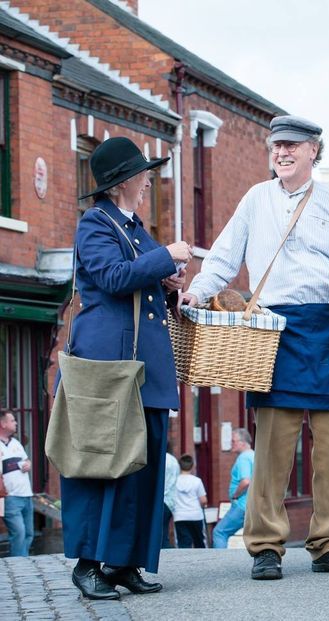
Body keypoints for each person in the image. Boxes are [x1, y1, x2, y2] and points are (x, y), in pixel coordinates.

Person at [184, 115, 329, 580]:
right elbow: (224, 256)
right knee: (272, 449)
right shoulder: (254, 200)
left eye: (291, 145)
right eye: (275, 146)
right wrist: (198, 290)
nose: (281, 153)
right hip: (273, 331)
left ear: (314, 151)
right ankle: (265, 545)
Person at [62, 136, 191, 598]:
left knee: (145, 466)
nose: (149, 178)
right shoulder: (95, 225)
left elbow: (145, 283)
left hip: (145, 368)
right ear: (123, 183)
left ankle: (124, 561)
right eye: (143, 173)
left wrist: (172, 284)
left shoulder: (135, 227)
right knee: (106, 465)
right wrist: (166, 256)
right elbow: (114, 278)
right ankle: (88, 563)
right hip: (111, 366)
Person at [211, 429, 254, 549]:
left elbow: (246, 481)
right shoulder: (254, 455)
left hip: (242, 504)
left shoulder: (243, 458)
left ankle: (220, 563)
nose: (231, 444)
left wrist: (235, 495)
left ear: (242, 442)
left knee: (219, 532)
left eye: (234, 441)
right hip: (253, 504)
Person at [1, 410, 34, 557]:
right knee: (18, 533)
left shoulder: (16, 443)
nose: (15, 423)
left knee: (28, 533)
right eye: (12, 420)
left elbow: (26, 460)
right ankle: (18, 564)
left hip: (26, 495)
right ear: (3, 423)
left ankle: (23, 561)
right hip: (9, 498)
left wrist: (28, 464)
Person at [173, 454, 207, 548]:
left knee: (183, 543)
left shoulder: (175, 481)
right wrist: (203, 505)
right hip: (196, 515)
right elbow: (203, 500)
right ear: (192, 466)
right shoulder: (197, 481)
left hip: (180, 516)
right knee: (199, 542)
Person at [162, 450, 180, 548]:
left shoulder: (160, 460)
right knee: (163, 531)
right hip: (170, 501)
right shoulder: (174, 460)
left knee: (159, 533)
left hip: (161, 500)